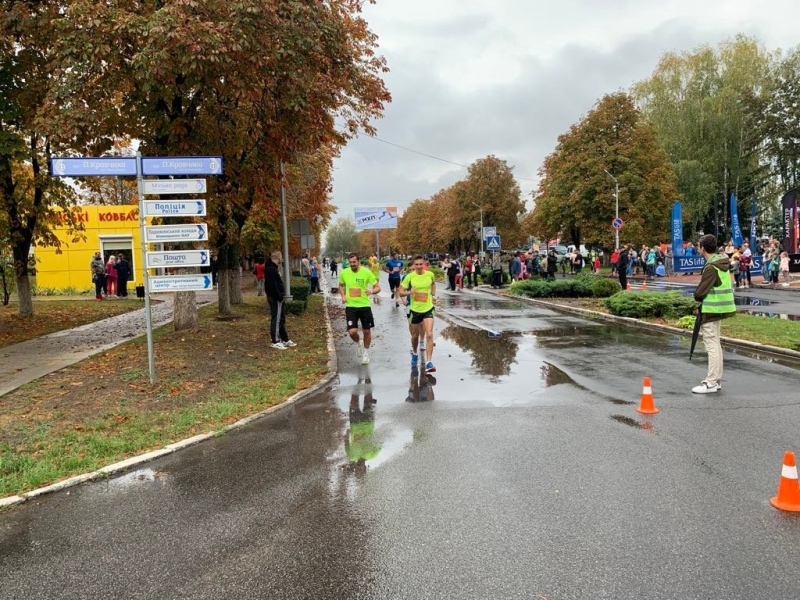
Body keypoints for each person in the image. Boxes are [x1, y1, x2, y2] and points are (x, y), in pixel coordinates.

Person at [692, 234, 736, 394]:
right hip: (719, 310)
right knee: (715, 345)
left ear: (703, 247)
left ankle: (711, 382)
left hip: (710, 311)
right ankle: (715, 381)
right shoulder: (721, 262)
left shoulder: (711, 267)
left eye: (698, 245)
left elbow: (700, 292)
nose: (698, 247)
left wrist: (696, 296)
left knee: (711, 346)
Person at [339, 252, 380, 365]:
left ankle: (365, 354)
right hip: (351, 306)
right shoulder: (344, 272)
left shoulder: (366, 272)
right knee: (352, 332)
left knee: (366, 331)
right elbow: (341, 285)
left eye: (354, 262)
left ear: (358, 262)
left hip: (364, 306)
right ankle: (359, 343)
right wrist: (343, 295)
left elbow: (377, 287)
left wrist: (371, 291)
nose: (352, 264)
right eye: (350, 262)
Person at [399, 255, 438, 373]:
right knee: (414, 336)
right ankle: (415, 353)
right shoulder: (409, 277)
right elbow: (400, 292)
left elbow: (433, 284)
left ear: (424, 264)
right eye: (417, 264)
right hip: (415, 310)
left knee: (429, 334)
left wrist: (433, 296)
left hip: (428, 308)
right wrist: (409, 292)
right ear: (414, 265)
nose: (419, 266)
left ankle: (429, 362)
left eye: (421, 264)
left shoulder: (430, 274)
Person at [264, 251, 296, 350]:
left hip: (276, 297)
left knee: (280, 319)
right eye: (281, 257)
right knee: (277, 319)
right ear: (278, 258)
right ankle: (275, 341)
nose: (282, 259)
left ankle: (285, 339)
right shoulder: (271, 269)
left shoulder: (273, 268)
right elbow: (272, 285)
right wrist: (279, 296)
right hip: (275, 297)